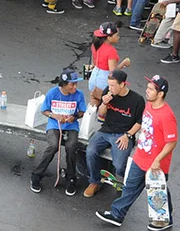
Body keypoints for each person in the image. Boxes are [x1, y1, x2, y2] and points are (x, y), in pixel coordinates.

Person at [96, 75, 176, 228]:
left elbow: (171, 142)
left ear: (160, 94)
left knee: (157, 191)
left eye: (151, 89)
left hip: (155, 163)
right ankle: (117, 215)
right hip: (140, 157)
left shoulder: (167, 116)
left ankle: (163, 221)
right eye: (147, 87)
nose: (147, 91)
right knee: (130, 188)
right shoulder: (149, 106)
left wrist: (157, 160)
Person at [84, 70, 145, 198]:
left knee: (119, 165)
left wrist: (128, 135)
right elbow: (101, 113)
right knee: (90, 150)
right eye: (109, 85)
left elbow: (140, 122)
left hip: (123, 134)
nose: (110, 88)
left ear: (122, 84)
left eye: (113, 85)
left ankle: (125, 181)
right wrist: (105, 103)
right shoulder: (108, 92)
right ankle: (94, 181)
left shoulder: (137, 100)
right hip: (106, 130)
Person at [30, 68, 87, 195]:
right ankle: (37, 174)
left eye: (76, 83)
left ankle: (71, 178)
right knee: (53, 145)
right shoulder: (53, 93)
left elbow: (82, 111)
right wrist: (55, 116)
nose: (75, 87)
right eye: (72, 84)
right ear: (64, 85)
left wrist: (74, 116)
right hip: (54, 125)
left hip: (71, 126)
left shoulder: (79, 95)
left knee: (71, 147)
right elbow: (44, 110)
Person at [88, 22, 131, 105]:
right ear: (109, 37)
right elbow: (113, 72)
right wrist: (124, 63)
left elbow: (94, 62)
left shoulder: (95, 45)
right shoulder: (111, 51)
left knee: (93, 106)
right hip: (103, 81)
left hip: (94, 78)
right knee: (107, 106)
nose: (118, 37)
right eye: (116, 35)